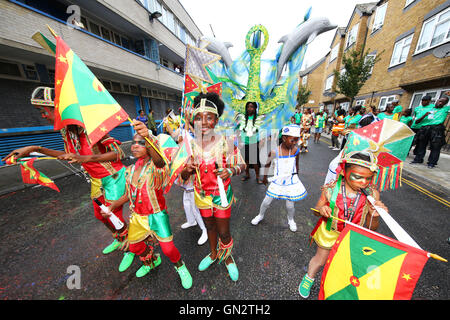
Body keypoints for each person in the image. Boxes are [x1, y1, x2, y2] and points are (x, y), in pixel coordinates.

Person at [3, 91, 135, 272]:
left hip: (113, 177)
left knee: (114, 215)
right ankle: (118, 238)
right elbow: (66, 155)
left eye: (44, 111)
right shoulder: (67, 132)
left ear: (58, 110)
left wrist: (84, 159)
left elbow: (119, 153)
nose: (43, 116)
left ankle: (130, 248)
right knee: (99, 215)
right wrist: (34, 149)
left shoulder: (91, 126)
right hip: (97, 180)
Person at [107, 127, 193, 289]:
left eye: (142, 143)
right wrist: (113, 205)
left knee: (168, 249)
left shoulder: (156, 168)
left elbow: (160, 162)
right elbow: (129, 194)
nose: (136, 145)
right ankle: (152, 261)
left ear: (150, 146)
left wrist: (149, 137)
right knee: (135, 246)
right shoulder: (130, 170)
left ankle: (180, 267)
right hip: (137, 217)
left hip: (157, 216)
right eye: (134, 142)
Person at [298, 152, 386, 298]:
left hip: (353, 236)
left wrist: (373, 215)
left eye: (369, 178)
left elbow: (371, 229)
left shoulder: (373, 195)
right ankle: (309, 278)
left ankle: (334, 287)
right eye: (357, 176)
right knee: (320, 260)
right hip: (330, 231)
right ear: (344, 171)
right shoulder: (330, 189)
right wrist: (322, 210)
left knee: (344, 266)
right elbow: (316, 210)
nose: (364, 182)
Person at [180, 92, 246, 282]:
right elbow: (183, 176)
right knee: (209, 226)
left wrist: (231, 171)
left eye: (209, 117)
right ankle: (213, 254)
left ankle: (228, 258)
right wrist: (187, 169)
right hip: (201, 196)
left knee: (224, 231)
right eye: (199, 118)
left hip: (222, 195)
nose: (204, 122)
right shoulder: (190, 146)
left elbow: (242, 165)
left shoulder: (225, 141)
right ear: (194, 122)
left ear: (216, 120)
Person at [251, 124, 307, 232]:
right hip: (277, 180)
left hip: (291, 181)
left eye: (297, 140)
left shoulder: (296, 151)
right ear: (284, 138)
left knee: (290, 205)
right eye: (292, 140)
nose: (295, 142)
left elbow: (296, 164)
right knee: (266, 202)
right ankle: (260, 215)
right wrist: (264, 177)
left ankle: (290, 219)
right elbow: (267, 164)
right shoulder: (274, 152)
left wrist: (297, 177)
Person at [412, 96, 449, 168]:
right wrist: (425, 115)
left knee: (435, 147)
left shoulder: (445, 109)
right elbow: (417, 121)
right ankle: (418, 159)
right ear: (437, 101)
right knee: (421, 144)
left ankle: (432, 163)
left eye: (443, 102)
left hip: (437, 128)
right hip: (425, 128)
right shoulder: (429, 109)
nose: (440, 103)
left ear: (445, 104)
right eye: (439, 101)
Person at [238, 101, 263, 183]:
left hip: (253, 141)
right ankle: (247, 174)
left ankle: (257, 177)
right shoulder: (243, 118)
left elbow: (258, 128)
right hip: (244, 141)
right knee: (246, 160)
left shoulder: (258, 118)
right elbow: (240, 128)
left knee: (255, 161)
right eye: (248, 107)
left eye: (252, 107)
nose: (250, 108)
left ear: (255, 108)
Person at [410, 95, 435, 161]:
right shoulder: (417, 108)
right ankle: (406, 152)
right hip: (414, 126)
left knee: (420, 142)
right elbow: (415, 117)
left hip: (424, 127)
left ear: (429, 101)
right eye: (422, 100)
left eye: (425, 101)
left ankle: (418, 156)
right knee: (411, 140)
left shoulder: (432, 107)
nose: (423, 102)